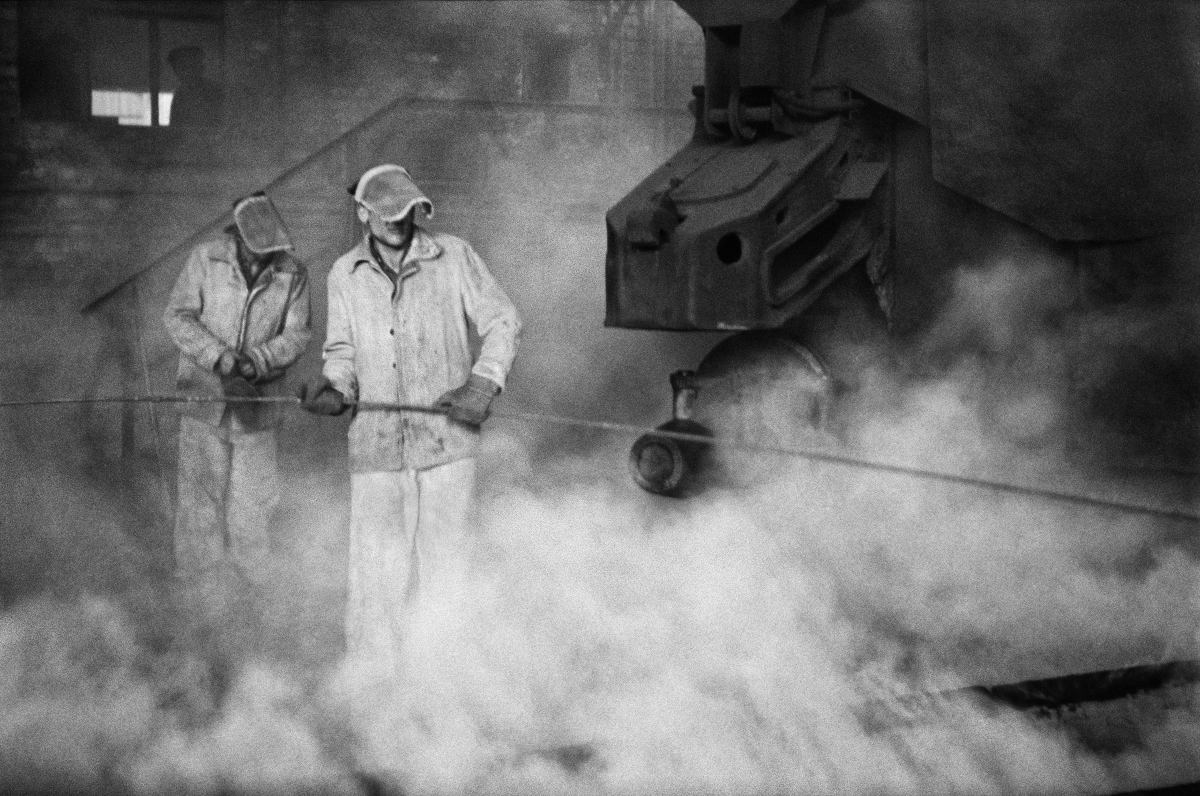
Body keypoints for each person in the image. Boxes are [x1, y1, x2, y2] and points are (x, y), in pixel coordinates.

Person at [300, 164, 520, 670]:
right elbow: (341, 353)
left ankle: (441, 687)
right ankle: (372, 689)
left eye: (407, 210)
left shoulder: (453, 255)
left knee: (446, 569)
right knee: (376, 574)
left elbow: (503, 319)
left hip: (447, 444)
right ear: (363, 213)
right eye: (387, 212)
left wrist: (483, 384)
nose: (399, 221)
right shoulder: (343, 273)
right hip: (376, 446)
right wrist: (335, 389)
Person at [164, 193, 311, 579]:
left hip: (259, 402)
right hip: (204, 398)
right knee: (200, 494)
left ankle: (253, 579)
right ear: (237, 238)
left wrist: (257, 362)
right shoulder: (205, 258)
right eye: (253, 251)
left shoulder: (293, 273)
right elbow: (177, 317)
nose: (261, 260)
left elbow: (297, 335)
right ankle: (198, 579)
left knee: (254, 497)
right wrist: (222, 359)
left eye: (269, 252)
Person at [166, 45, 223, 127]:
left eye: (190, 66)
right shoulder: (180, 93)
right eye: (181, 67)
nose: (186, 71)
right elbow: (175, 126)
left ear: (201, 67)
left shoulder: (214, 92)